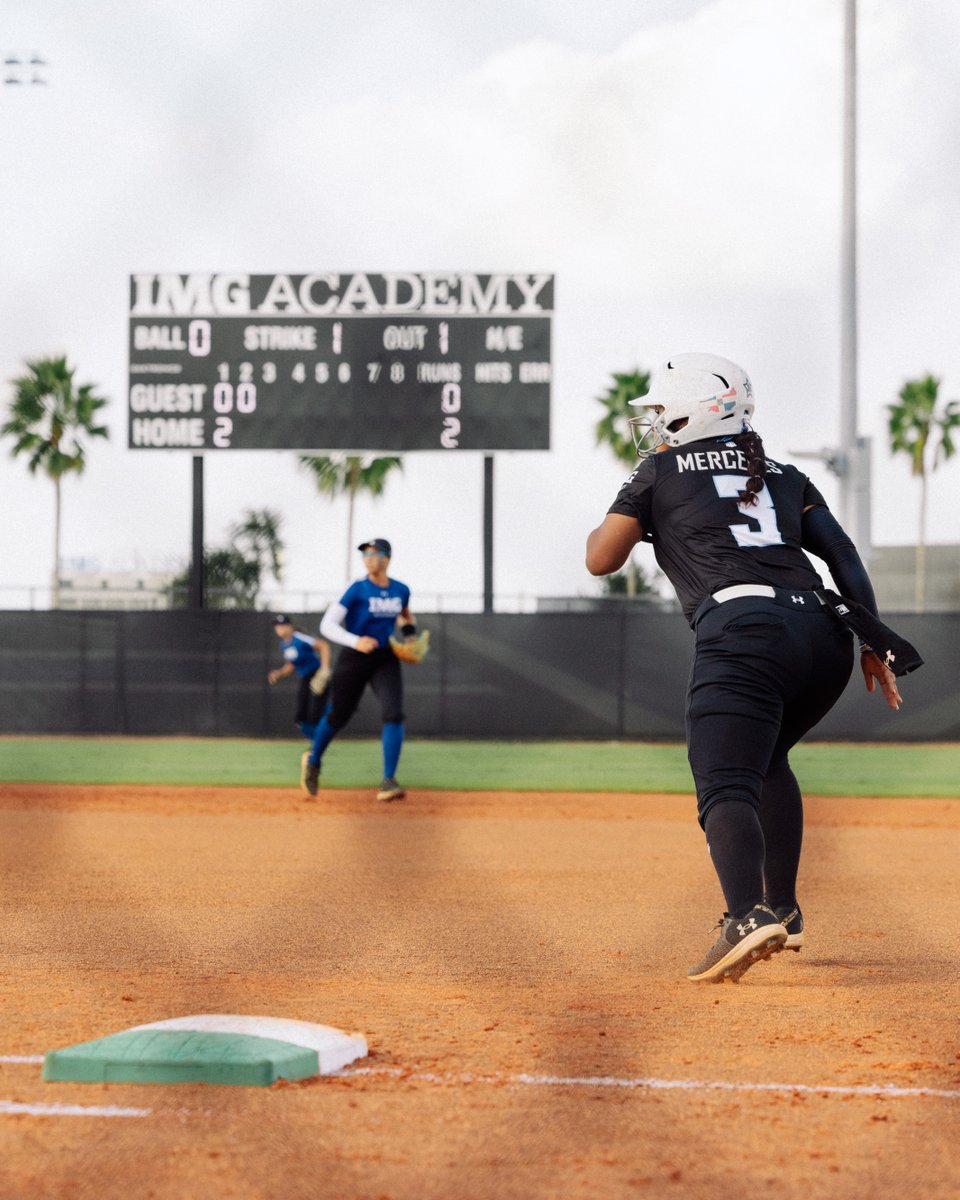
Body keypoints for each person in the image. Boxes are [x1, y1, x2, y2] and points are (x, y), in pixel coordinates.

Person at [585, 353, 920, 983]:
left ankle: (745, 915)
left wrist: (644, 489)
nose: (657, 425)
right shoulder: (783, 472)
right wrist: (873, 643)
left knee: (723, 778)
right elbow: (842, 554)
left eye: (663, 412)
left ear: (696, 410)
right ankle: (784, 909)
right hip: (826, 637)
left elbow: (600, 559)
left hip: (744, 628)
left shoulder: (659, 469)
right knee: (765, 761)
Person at [300, 538, 419, 803]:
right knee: (338, 716)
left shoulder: (401, 589)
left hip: (384, 657)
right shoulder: (357, 589)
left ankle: (388, 780)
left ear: (387, 558)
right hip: (354, 656)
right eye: (365, 553)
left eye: (373, 553)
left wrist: (410, 637)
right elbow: (327, 625)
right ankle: (314, 759)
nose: (367, 557)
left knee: (394, 713)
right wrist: (356, 641)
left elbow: (404, 614)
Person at [268, 615, 332, 741]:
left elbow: (323, 646)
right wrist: (279, 673)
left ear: (290, 627)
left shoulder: (299, 638)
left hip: (318, 676)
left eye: (282, 625)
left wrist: (324, 669)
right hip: (305, 678)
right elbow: (290, 665)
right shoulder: (284, 645)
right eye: (277, 626)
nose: (279, 628)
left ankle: (319, 741)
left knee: (315, 715)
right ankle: (316, 741)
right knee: (300, 718)